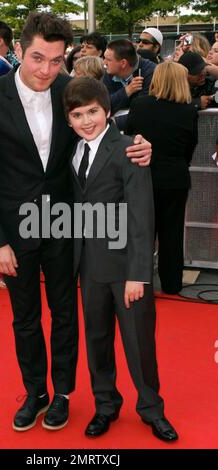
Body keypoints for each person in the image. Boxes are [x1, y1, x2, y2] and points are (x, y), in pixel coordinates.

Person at [0, 12, 152, 433]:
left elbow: (105, 131)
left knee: (66, 313)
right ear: (17, 50)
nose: (46, 70)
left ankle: (63, 393)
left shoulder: (70, 90)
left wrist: (140, 145)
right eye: (36, 58)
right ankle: (35, 392)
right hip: (16, 231)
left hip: (67, 226)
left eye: (55, 60)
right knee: (25, 316)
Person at [63, 76, 178, 441]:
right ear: (68, 120)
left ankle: (151, 408)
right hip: (89, 267)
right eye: (78, 114)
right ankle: (105, 405)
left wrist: (138, 273)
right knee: (97, 341)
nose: (86, 121)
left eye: (93, 112)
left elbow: (142, 217)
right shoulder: (70, 151)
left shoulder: (129, 149)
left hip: (127, 269)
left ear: (108, 110)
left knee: (138, 343)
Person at [126, 62, 198, 294]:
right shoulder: (188, 110)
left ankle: (142, 284)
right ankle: (172, 285)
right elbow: (190, 145)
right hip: (175, 177)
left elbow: (129, 139)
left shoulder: (139, 105)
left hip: (143, 175)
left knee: (143, 232)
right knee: (172, 233)